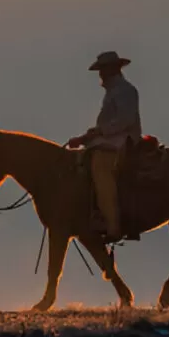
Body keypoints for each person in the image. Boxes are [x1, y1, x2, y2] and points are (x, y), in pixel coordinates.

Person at [67, 51, 142, 244]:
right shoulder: (113, 92)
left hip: (123, 141)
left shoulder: (125, 90)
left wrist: (98, 132)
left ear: (113, 69)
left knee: (101, 168)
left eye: (103, 70)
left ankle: (113, 225)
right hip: (110, 140)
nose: (100, 74)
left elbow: (125, 120)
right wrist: (85, 138)